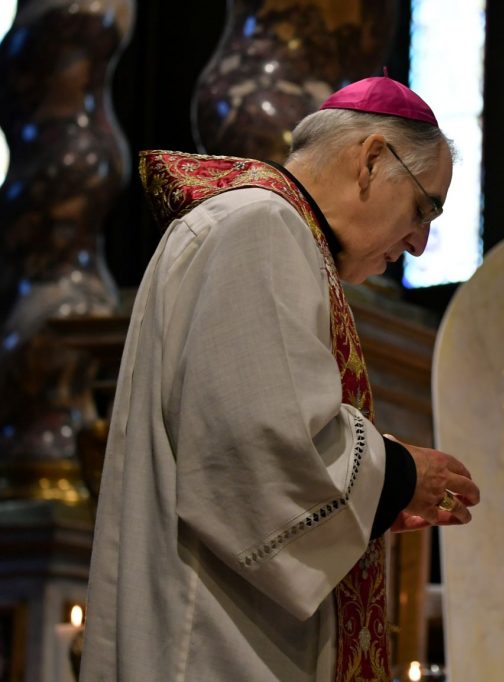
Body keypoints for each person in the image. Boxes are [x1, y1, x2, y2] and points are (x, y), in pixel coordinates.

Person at [80, 77, 480, 682]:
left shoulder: (264, 227)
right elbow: (258, 447)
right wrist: (398, 476)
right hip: (213, 647)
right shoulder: (261, 226)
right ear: (372, 159)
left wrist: (374, 496)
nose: (420, 244)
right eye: (424, 208)